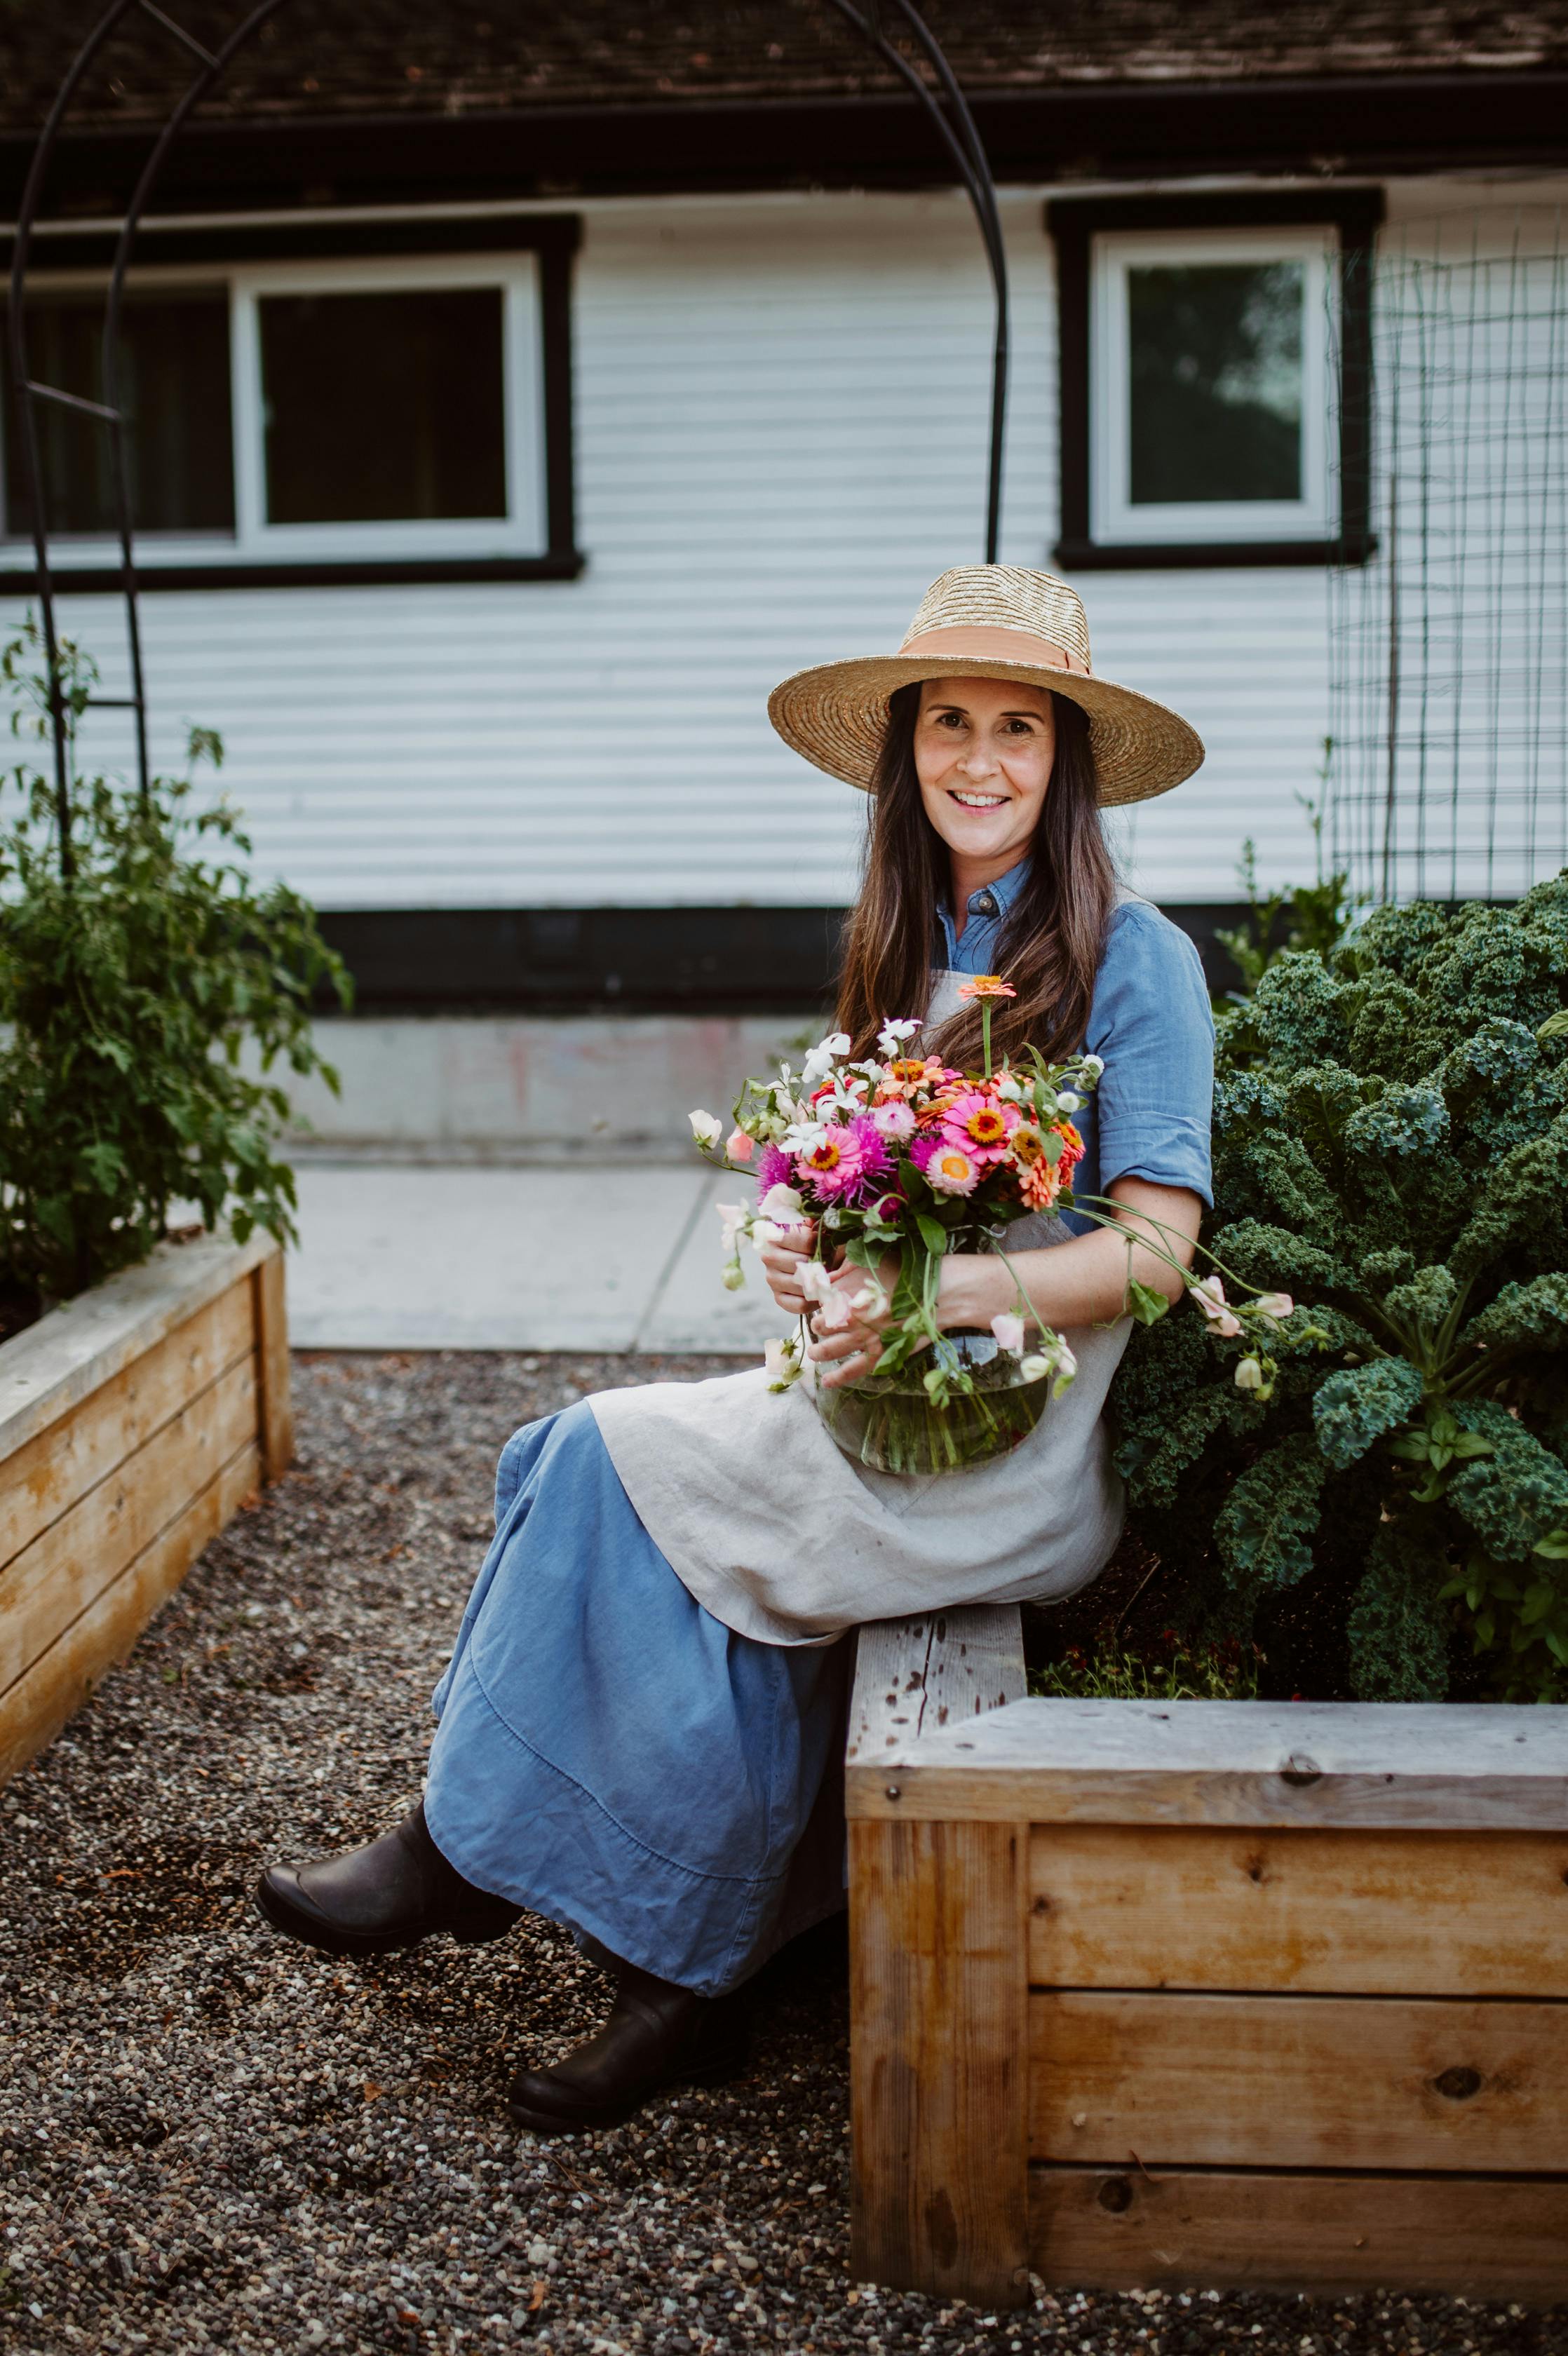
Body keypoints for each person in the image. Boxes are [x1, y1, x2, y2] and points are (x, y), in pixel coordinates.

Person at [256, 564, 1215, 2133]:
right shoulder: (912, 941)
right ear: (906, 752)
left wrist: (937, 1295)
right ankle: (666, 1969)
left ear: (1068, 762)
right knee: (622, 1491)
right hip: (884, 1408)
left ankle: (478, 1861)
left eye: (1019, 731)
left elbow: (1159, 1251)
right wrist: (798, 1241)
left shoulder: (1135, 959)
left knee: (599, 1462)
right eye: (950, 725)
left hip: (1013, 1442)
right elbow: (848, 1184)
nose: (980, 761)